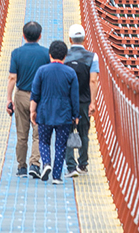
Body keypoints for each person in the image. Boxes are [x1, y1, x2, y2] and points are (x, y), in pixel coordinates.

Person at [30, 39, 79, 183]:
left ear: (50, 54)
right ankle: (57, 176)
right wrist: (76, 115)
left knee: (44, 142)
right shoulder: (70, 73)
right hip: (64, 114)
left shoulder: (42, 71)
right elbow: (74, 96)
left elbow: (35, 93)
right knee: (60, 145)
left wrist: (33, 111)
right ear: (65, 56)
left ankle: (46, 164)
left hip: (44, 112)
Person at [6, 21, 51, 177]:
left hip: (21, 95)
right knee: (38, 134)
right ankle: (35, 164)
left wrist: (8, 99)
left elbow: (12, 77)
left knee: (21, 134)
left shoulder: (16, 53)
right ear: (40, 36)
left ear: (23, 36)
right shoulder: (46, 53)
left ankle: (21, 167)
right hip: (40, 98)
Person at [63, 24, 99, 176]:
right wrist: (93, 102)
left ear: (70, 39)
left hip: (67, 101)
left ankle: (71, 166)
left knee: (68, 131)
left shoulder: (63, 56)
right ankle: (82, 164)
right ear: (85, 39)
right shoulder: (92, 57)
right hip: (84, 101)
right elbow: (93, 81)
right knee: (84, 131)